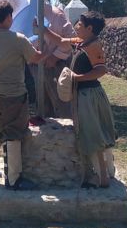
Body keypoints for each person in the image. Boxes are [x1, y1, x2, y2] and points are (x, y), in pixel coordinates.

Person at [38, 11, 116, 187]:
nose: (76, 26)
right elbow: (62, 42)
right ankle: (96, 173)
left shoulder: (93, 46)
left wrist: (76, 78)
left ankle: (103, 177)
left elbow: (101, 70)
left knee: (92, 134)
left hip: (89, 95)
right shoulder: (82, 42)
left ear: (89, 28)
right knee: (88, 133)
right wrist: (43, 30)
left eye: (80, 24)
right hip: (81, 94)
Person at [0, 0, 43, 189]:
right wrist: (44, 49)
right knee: (13, 134)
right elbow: (35, 58)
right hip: (13, 95)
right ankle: (13, 179)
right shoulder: (18, 39)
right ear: (7, 18)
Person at [29, 2, 74, 117]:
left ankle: (67, 128)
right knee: (42, 101)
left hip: (55, 65)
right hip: (36, 65)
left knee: (60, 100)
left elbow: (70, 39)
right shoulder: (27, 14)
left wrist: (55, 57)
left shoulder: (56, 14)